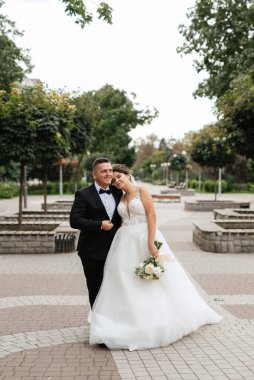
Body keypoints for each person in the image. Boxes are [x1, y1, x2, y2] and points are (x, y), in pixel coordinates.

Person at [89, 164, 222, 351]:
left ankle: (160, 318)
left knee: (155, 281)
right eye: (114, 179)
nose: (117, 181)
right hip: (124, 242)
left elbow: (151, 215)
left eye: (119, 176)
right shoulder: (119, 195)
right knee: (124, 280)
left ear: (128, 175)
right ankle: (129, 319)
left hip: (145, 237)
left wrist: (151, 242)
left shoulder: (142, 190)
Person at [70, 158, 122, 307]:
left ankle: (111, 320)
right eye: (104, 171)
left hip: (116, 249)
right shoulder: (83, 194)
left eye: (110, 170)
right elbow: (75, 220)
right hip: (92, 251)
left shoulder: (118, 191)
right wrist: (99, 225)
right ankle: (97, 322)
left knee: (114, 288)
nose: (108, 174)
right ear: (94, 174)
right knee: (95, 288)